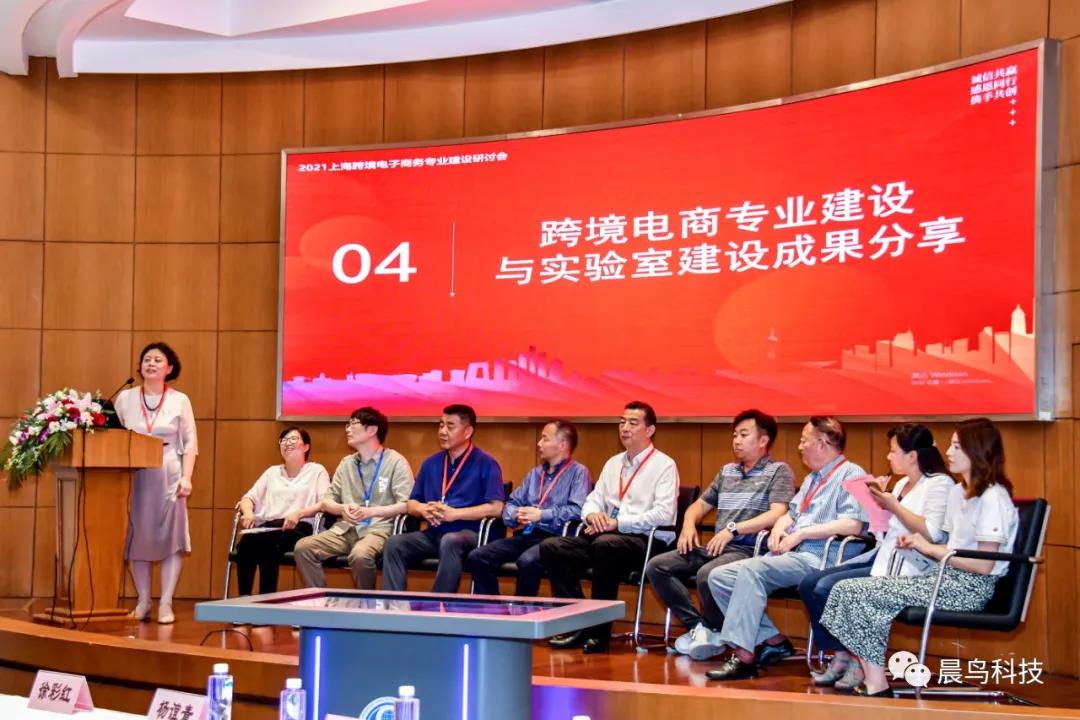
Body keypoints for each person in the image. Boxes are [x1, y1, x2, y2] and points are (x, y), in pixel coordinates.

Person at [820, 418, 1019, 697]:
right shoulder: (958, 492)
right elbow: (948, 543)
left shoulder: (993, 497)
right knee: (844, 589)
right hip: (941, 578)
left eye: (956, 446)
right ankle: (875, 681)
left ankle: (876, 685)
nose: (947, 452)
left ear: (977, 450)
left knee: (857, 592)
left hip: (969, 588)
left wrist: (930, 549)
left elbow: (984, 564)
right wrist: (918, 543)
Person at [703, 416, 868, 678]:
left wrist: (801, 533)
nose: (799, 447)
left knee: (750, 571)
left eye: (804, 441)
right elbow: (791, 513)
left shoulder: (853, 474)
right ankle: (772, 639)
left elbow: (853, 524)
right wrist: (780, 528)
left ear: (822, 442)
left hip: (822, 558)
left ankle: (744, 656)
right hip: (793, 554)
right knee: (720, 577)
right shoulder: (814, 478)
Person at [799, 423, 953, 691]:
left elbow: (933, 533)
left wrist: (892, 504)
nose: (888, 457)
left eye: (893, 451)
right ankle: (843, 654)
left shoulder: (940, 484)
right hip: (885, 555)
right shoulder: (902, 483)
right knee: (810, 583)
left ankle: (857, 659)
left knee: (827, 587)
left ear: (912, 456)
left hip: (911, 566)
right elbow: (885, 530)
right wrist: (877, 505)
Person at [646, 409, 795, 659]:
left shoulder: (779, 471)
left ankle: (712, 629)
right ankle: (700, 627)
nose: (736, 440)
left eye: (744, 435)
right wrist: (688, 524)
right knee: (657, 566)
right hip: (717, 547)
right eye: (735, 435)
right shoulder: (728, 471)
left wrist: (733, 529)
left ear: (763, 440)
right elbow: (699, 505)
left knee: (708, 574)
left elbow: (777, 513)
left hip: (749, 549)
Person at [542, 401, 678, 654]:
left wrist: (619, 523)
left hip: (647, 541)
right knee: (553, 547)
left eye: (633, 423)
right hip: (607, 536)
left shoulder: (664, 465)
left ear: (650, 430)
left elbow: (664, 514)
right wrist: (593, 515)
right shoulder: (613, 463)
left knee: (607, 545)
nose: (625, 428)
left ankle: (599, 633)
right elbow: (593, 499)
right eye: (622, 422)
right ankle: (579, 622)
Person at [381, 404, 504, 593]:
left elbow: (496, 507)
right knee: (394, 544)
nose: (443, 431)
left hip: (469, 534)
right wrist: (423, 510)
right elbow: (411, 503)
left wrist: (455, 514)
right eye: (441, 425)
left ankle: (438, 604)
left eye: (450, 426)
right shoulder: (431, 463)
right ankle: (394, 604)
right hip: (434, 533)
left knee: (450, 540)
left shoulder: (486, 463)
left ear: (468, 431)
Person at [116, 342, 197, 625]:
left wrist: (187, 476)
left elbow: (190, 443)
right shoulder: (125, 397)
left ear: (169, 368)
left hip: (169, 474)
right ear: (140, 367)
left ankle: (166, 603)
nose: (151, 363)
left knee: (171, 540)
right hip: (134, 474)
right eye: (146, 359)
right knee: (136, 539)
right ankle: (143, 601)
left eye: (157, 360)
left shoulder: (180, 400)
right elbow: (113, 436)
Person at [293, 407, 414, 589]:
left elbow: (406, 505)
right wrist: (342, 509)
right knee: (303, 548)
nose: (347, 429)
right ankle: (319, 600)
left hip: (378, 530)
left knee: (360, 555)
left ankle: (366, 603)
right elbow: (327, 501)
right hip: (346, 529)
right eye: (347, 424)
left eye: (353, 424)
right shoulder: (347, 463)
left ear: (372, 430)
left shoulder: (395, 461)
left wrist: (370, 512)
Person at [468, 420, 591, 597]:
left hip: (555, 540)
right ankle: (494, 609)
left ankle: (524, 610)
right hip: (527, 535)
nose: (539, 443)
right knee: (478, 557)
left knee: (527, 561)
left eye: (545, 439)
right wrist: (516, 514)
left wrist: (541, 515)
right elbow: (510, 503)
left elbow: (578, 511)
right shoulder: (535, 474)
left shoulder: (579, 473)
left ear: (562, 444)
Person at [233, 427, 330, 596]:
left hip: (301, 526)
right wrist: (248, 513)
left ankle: (265, 600)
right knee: (246, 543)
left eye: (293, 439)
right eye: (284, 440)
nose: (287, 443)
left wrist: (299, 513)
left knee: (267, 544)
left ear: (306, 447)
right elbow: (248, 498)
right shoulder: (272, 472)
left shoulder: (316, 471)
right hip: (271, 526)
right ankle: (244, 598)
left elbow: (325, 503)